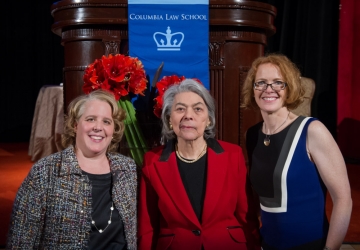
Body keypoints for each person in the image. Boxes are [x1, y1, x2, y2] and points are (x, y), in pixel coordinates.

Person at [241, 54, 352, 250]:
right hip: (267, 243)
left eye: (277, 83)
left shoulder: (312, 130)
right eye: (261, 83)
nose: (268, 89)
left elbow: (343, 200)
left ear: (289, 87)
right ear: (253, 89)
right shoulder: (252, 135)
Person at [138, 79, 261, 250]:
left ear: (208, 120)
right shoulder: (152, 161)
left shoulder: (233, 155)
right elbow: (148, 226)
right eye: (180, 109)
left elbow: (246, 217)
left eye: (197, 109)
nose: (188, 115)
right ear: (169, 119)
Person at [7, 90, 138, 249]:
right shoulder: (46, 171)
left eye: (106, 121)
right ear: (76, 125)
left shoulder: (127, 169)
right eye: (90, 119)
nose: (98, 127)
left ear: (113, 130)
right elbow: (21, 242)